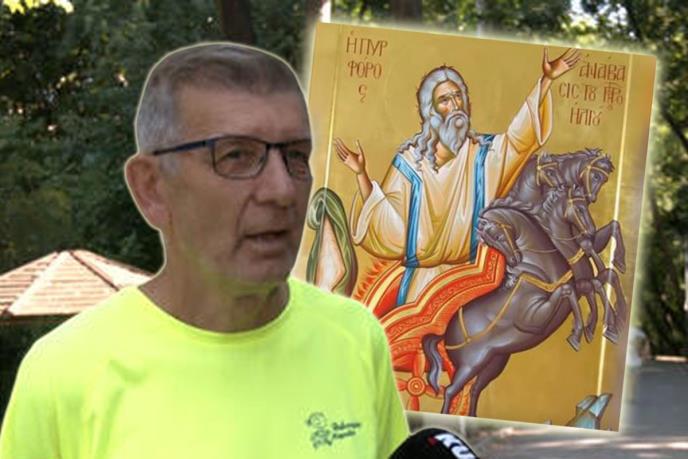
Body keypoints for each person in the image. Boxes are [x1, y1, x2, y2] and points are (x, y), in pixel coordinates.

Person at [0, 43, 409, 458]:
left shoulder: (356, 339)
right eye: (236, 155)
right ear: (151, 188)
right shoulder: (64, 375)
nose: (282, 190)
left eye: (295, 156)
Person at [335, 48, 580, 305]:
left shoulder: (482, 155)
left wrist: (547, 80)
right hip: (424, 284)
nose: (454, 106)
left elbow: (520, 140)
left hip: (472, 278)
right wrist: (361, 174)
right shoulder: (409, 164)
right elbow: (387, 224)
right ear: (430, 112)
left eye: (458, 97)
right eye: (444, 100)